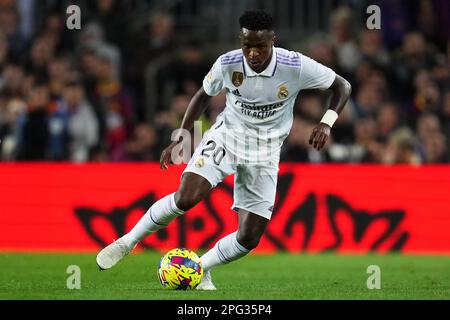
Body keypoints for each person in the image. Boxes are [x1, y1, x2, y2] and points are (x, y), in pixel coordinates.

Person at [96, 10, 352, 290]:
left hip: (264, 153)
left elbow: (342, 85)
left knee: (249, 237)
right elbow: (203, 95)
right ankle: (126, 242)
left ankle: (200, 268)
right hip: (226, 139)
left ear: (273, 41)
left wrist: (327, 123)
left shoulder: (295, 65)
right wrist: (182, 136)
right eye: (247, 46)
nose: (253, 54)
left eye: (260, 47)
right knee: (186, 197)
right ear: (240, 41)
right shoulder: (228, 63)